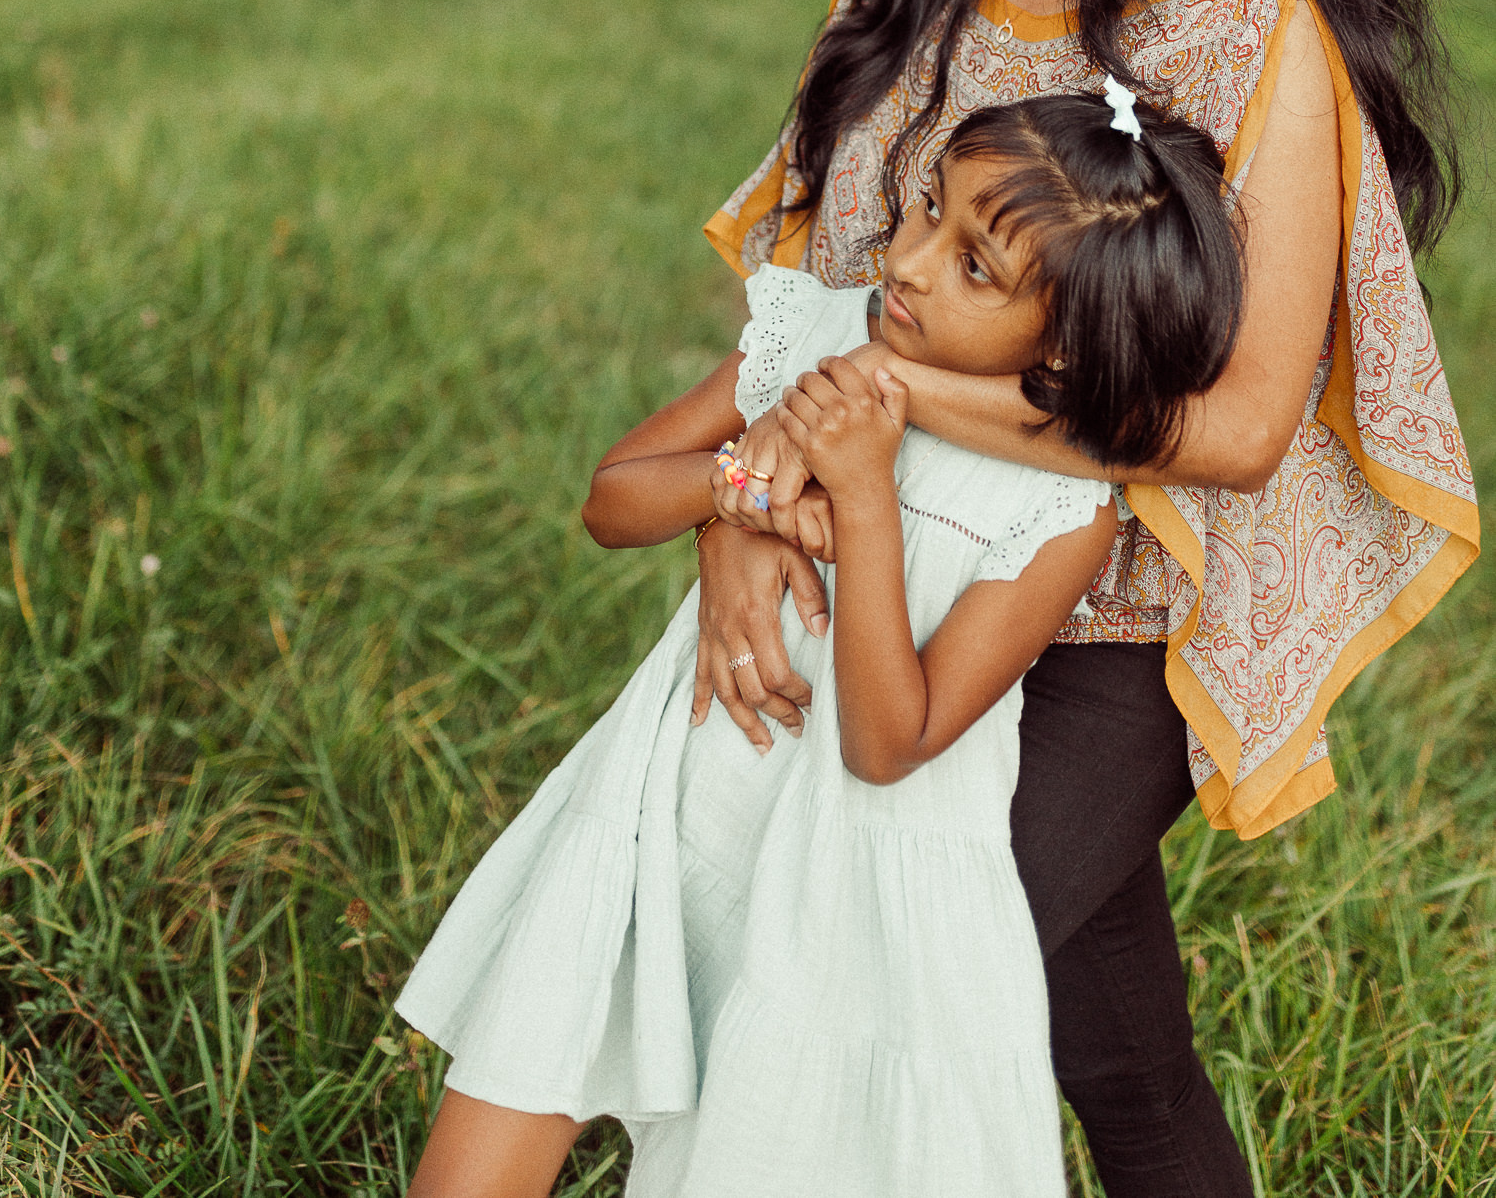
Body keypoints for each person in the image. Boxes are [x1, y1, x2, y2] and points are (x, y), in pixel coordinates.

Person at [695, 0, 1479, 1198]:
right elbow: (804, 305)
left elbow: (1251, 423)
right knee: (1113, 1043)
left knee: (891, 982)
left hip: (1113, 619)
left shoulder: (1248, 25)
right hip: (894, 572)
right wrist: (742, 518)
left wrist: (883, 411)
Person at [397, 87, 1249, 1198]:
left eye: (975, 267)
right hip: (668, 801)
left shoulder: (1059, 511)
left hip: (836, 880)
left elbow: (892, 742)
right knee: (493, 1127)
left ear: (1072, 340)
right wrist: (734, 492)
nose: (909, 262)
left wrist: (864, 502)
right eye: (926, 210)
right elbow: (611, 502)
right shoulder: (816, 329)